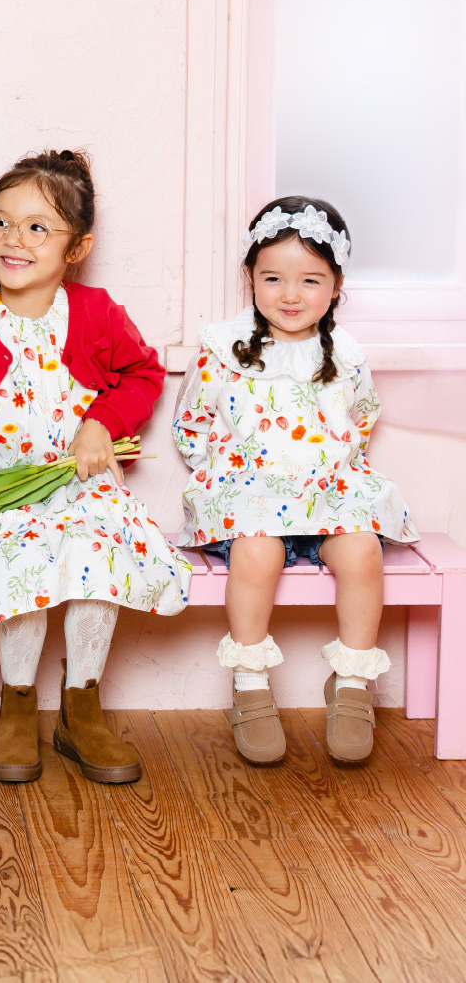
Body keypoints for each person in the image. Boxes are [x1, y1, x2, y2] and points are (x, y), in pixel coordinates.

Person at [0, 150, 191, 784]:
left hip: (80, 488)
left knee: (95, 549)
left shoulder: (97, 313)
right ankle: (18, 702)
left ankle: (82, 706)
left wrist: (102, 422)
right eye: (0, 222)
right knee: (21, 556)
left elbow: (143, 374)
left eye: (37, 227)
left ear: (77, 247)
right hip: (0, 493)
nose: (13, 239)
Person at [172, 196, 416, 765]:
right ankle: (250, 680)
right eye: (273, 278)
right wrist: (223, 469)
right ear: (250, 278)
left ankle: (352, 681)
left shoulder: (345, 354)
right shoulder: (225, 348)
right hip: (251, 494)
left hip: (324, 492)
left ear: (336, 286)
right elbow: (192, 422)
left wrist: (327, 467)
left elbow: (362, 416)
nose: (290, 294)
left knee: (360, 549)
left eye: (310, 280)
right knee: (257, 552)